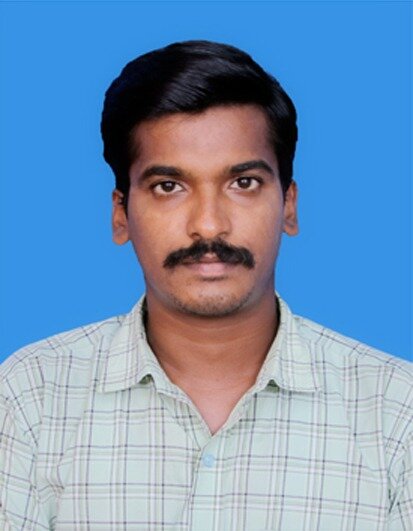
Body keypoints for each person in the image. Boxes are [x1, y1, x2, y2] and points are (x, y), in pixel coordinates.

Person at [0, 40, 411, 531]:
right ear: (120, 214)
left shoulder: (395, 411)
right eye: (168, 187)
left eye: (244, 183)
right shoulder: (32, 396)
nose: (209, 226)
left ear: (289, 205)